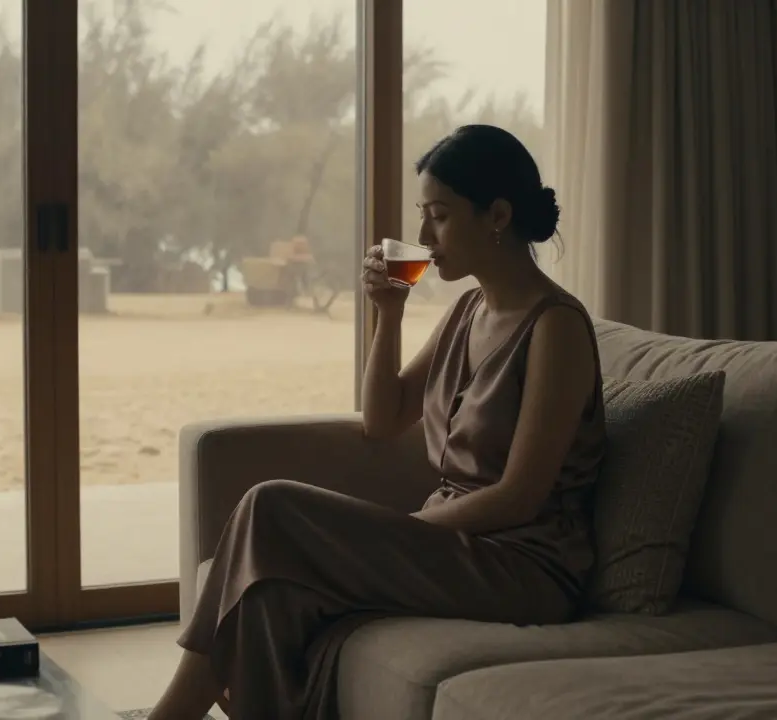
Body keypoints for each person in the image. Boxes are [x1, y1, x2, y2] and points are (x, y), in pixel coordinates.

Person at [149, 124, 606, 720]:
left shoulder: (557, 328)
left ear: (496, 214)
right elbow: (383, 419)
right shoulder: (469, 311)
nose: (422, 236)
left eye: (438, 216)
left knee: (270, 508)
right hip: (456, 543)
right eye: (422, 215)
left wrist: (412, 528)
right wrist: (389, 314)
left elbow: (520, 497)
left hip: (524, 567)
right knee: (270, 589)